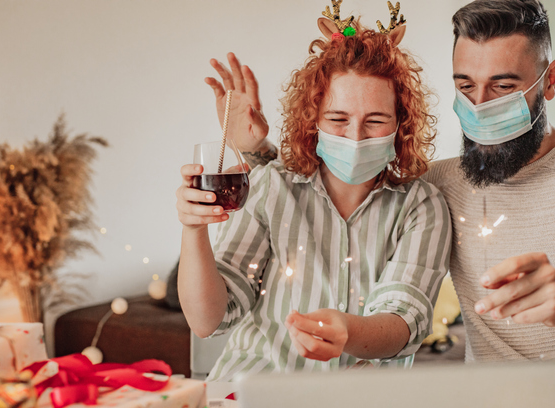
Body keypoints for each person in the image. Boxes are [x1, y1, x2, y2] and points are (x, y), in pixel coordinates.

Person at [233, 0, 555, 362]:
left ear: (551, 80)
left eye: (503, 87)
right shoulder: (441, 184)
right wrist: (257, 152)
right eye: (465, 86)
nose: (480, 106)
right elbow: (336, 184)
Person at [176, 14, 451, 381]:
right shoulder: (271, 186)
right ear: (313, 120)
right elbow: (208, 320)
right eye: (337, 119)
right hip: (252, 396)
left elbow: (404, 324)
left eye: (375, 121)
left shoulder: (421, 206)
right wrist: (193, 229)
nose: (355, 137)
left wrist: (347, 331)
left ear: (401, 123)